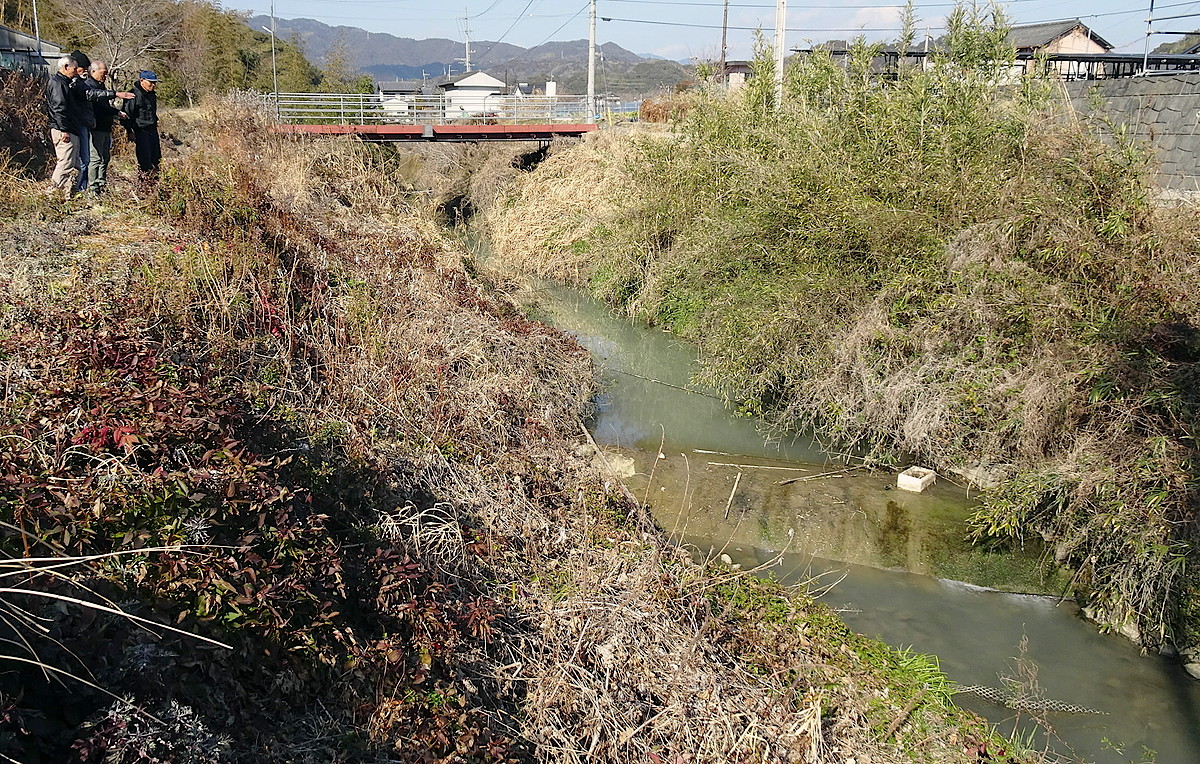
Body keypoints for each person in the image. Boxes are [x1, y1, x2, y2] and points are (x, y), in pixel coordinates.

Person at [80, 60, 131, 195]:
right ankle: (93, 188)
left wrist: (116, 112)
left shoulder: (100, 85)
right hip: (95, 128)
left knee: (105, 157)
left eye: (107, 73)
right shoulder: (88, 86)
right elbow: (98, 107)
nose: (105, 76)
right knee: (96, 158)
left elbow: (105, 106)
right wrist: (115, 107)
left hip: (105, 127)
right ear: (93, 72)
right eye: (103, 73)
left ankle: (102, 183)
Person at [44, 54, 82, 197]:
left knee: (73, 163)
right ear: (66, 67)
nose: (77, 71)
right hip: (64, 129)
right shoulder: (58, 83)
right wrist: (63, 129)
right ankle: (52, 195)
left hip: (70, 128)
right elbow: (59, 108)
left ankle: (67, 195)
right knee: (65, 163)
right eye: (75, 68)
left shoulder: (65, 83)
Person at [122, 71, 162, 177]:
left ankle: (156, 184)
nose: (153, 85)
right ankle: (145, 185)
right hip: (141, 131)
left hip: (152, 130)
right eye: (151, 82)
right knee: (145, 160)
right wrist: (129, 131)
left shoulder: (152, 95)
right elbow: (126, 115)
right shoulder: (133, 95)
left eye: (155, 83)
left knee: (156, 159)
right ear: (142, 81)